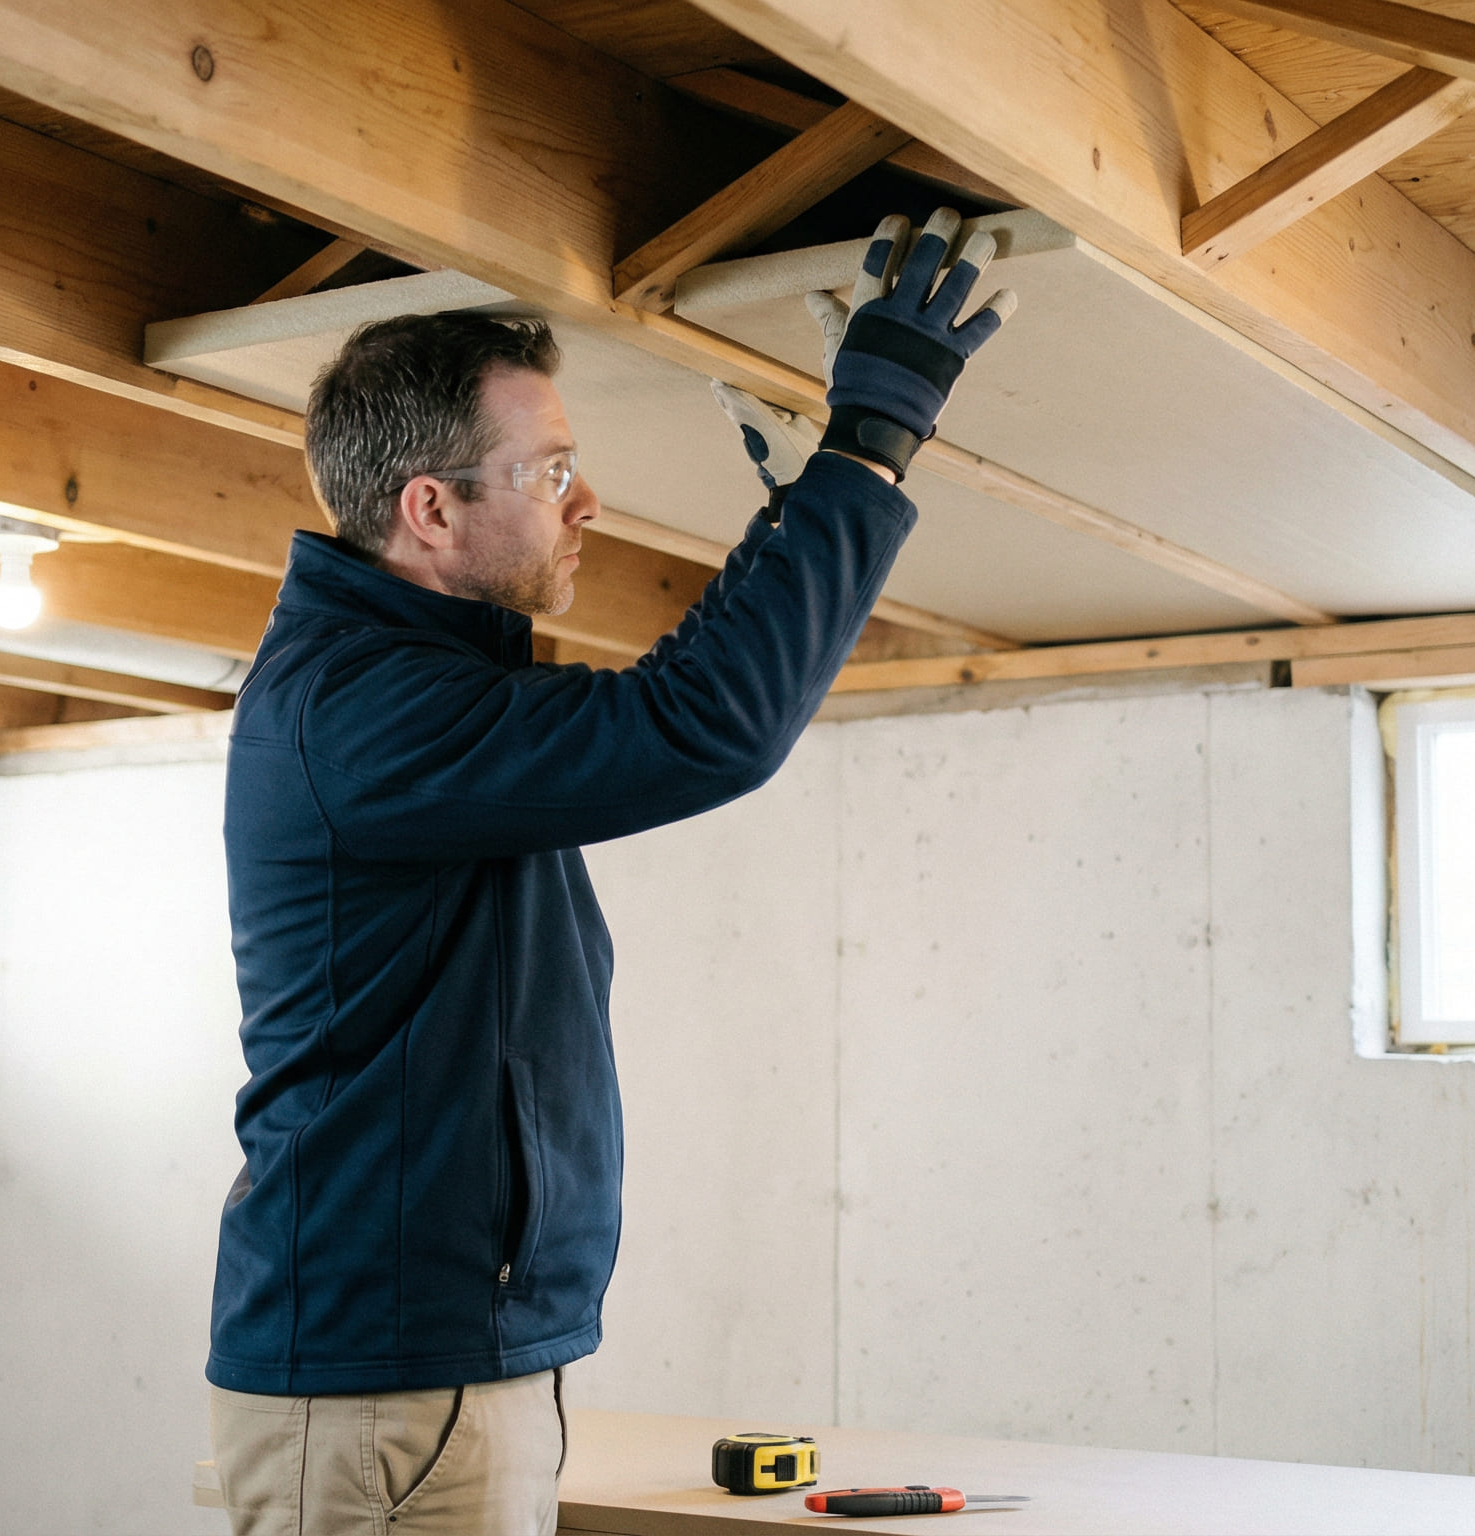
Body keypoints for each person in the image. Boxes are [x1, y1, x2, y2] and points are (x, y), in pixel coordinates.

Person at [206, 210, 1014, 1536]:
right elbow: (697, 726)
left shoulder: (423, 697)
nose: (588, 504)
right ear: (431, 509)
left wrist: (809, 502)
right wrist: (869, 440)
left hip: (437, 1371)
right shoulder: (364, 715)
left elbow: (679, 703)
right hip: (387, 1389)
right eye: (551, 472)